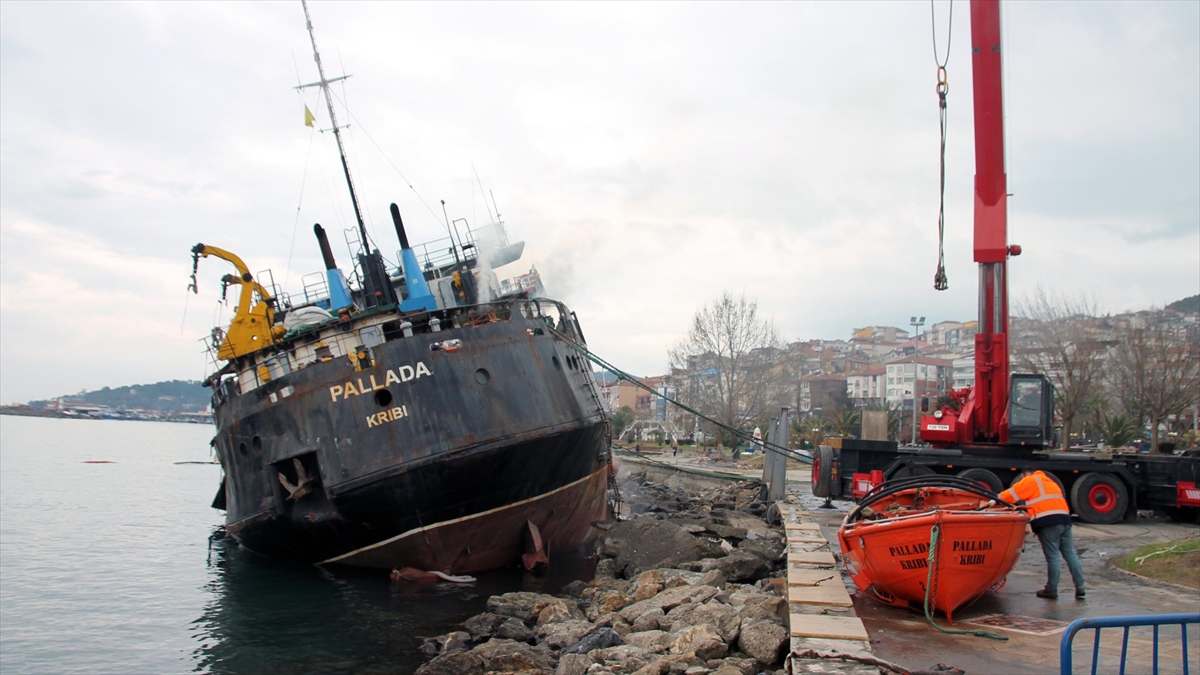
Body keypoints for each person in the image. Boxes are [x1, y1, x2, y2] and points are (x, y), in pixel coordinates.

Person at [1001, 466, 1086, 600]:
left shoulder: (1030, 480)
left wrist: (992, 500)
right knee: (1070, 554)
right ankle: (1080, 587)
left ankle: (1051, 589)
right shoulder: (1050, 482)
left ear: (1025, 475)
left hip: (1049, 522)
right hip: (1065, 519)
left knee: (1053, 557)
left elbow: (1008, 496)